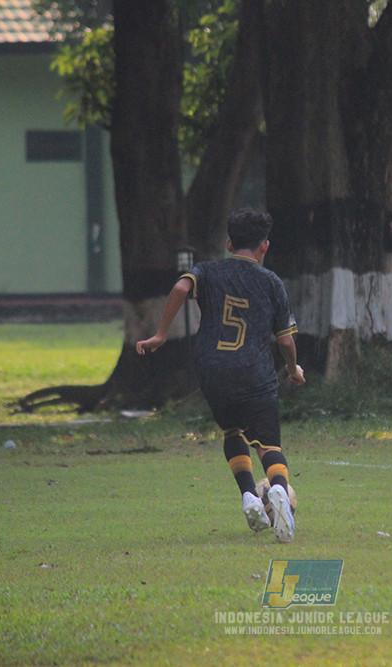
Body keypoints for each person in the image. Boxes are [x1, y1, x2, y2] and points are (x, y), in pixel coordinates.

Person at [136, 208, 305, 543]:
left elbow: (182, 288)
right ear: (265, 246)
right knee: (268, 444)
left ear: (229, 243)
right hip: (254, 370)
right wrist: (292, 368)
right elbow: (285, 339)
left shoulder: (208, 271)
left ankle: (248, 497)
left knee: (232, 430)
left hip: (212, 369)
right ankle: (280, 494)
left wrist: (160, 334)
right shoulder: (271, 282)